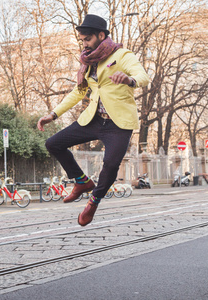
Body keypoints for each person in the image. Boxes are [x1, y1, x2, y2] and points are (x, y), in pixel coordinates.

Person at [37, 14, 150, 226]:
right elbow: (78, 92)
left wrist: (129, 79)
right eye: (82, 40)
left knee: (110, 164)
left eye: (87, 39)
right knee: (53, 143)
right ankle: (81, 181)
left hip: (118, 124)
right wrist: (53, 115)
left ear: (101, 35)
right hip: (94, 119)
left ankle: (93, 202)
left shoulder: (122, 55)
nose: (84, 44)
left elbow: (143, 76)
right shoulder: (88, 62)